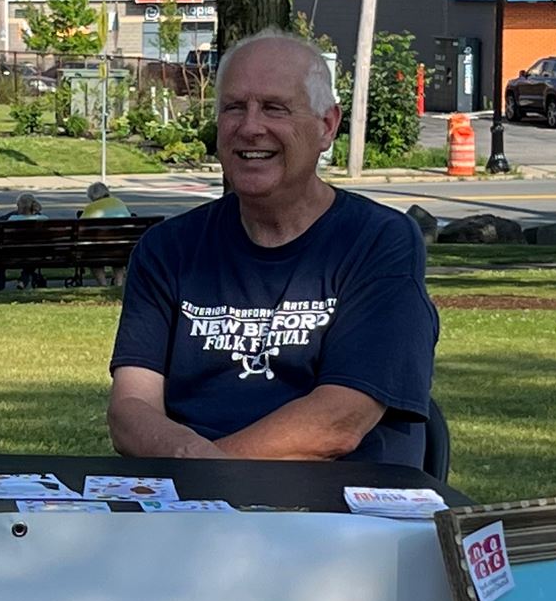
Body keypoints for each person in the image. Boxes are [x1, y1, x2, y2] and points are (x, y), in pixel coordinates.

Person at [108, 29, 438, 464]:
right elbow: (130, 408)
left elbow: (338, 423)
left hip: (335, 512)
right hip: (186, 504)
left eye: (274, 108)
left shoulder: (379, 241)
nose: (250, 127)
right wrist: (191, 470)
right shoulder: (168, 249)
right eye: (233, 108)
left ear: (327, 126)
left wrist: (207, 477)